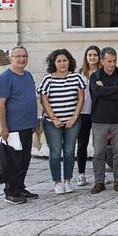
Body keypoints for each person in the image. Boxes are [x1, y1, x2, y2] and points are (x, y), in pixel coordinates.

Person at [0, 46, 39, 204]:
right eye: (17, 56)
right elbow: (0, 104)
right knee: (13, 160)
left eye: (24, 56)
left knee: (24, 159)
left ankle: (20, 187)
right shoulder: (4, 78)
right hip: (13, 126)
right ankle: (10, 191)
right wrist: (3, 127)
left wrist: (34, 122)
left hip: (28, 125)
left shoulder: (28, 75)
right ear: (10, 58)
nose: (21, 59)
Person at [39, 49, 85, 194]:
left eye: (65, 60)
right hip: (53, 123)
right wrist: (54, 118)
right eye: (59, 61)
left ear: (69, 61)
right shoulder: (48, 79)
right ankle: (57, 182)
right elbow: (43, 99)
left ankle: (68, 181)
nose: (62, 63)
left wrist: (74, 117)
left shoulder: (76, 77)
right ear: (53, 63)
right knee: (55, 152)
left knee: (70, 151)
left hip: (73, 121)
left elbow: (81, 98)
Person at [89, 47, 118, 194]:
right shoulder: (95, 76)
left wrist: (107, 90)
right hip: (99, 120)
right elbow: (97, 92)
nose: (112, 64)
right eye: (109, 61)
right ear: (102, 61)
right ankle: (99, 182)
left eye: (114, 61)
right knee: (98, 152)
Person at [76, 45, 100, 186]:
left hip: (98, 112)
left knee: (99, 145)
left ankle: (99, 173)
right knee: (82, 144)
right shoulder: (79, 73)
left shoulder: (102, 72)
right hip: (83, 112)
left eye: (95, 55)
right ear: (86, 57)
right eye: (89, 55)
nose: (92, 57)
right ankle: (81, 173)